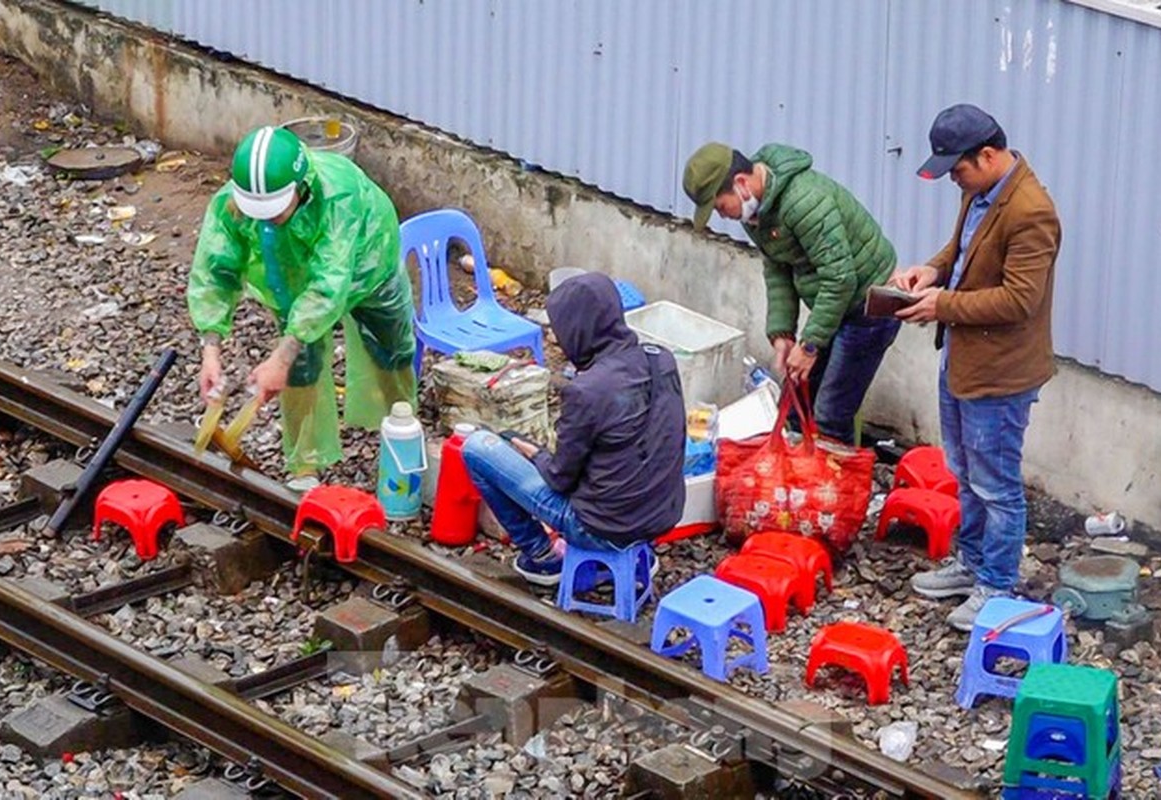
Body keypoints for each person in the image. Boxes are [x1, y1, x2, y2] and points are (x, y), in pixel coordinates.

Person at [892, 104, 1061, 631]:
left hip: (1002, 374)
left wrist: (942, 305)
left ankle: (998, 582)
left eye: (957, 169)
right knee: (964, 472)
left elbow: (1019, 301)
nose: (953, 180)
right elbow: (962, 251)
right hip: (963, 360)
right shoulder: (980, 190)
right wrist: (932, 269)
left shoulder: (1032, 211)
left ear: (987, 155)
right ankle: (971, 564)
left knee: (996, 483)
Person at [188, 125, 416, 491]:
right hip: (291, 282)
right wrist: (210, 349)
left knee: (390, 349)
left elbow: (329, 285)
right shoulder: (231, 202)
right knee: (299, 368)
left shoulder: (338, 196)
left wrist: (277, 359)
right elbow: (215, 273)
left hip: (369, 265)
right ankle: (305, 465)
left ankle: (400, 432)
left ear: (300, 187)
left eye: (274, 212)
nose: (265, 219)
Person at [460, 273, 686, 585]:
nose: (558, 340)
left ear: (579, 329)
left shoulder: (587, 390)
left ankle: (542, 556)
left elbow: (559, 479)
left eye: (561, 330)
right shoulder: (661, 359)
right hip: (662, 516)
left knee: (476, 447)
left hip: (600, 529)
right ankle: (637, 558)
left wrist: (535, 454)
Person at [682, 142, 900, 444]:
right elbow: (777, 268)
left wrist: (810, 346)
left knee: (830, 413)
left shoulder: (805, 202)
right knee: (797, 397)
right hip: (835, 300)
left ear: (741, 184)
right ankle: (797, 475)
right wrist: (782, 333)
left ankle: (835, 484)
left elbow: (840, 279)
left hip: (869, 304)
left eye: (720, 206)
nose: (722, 215)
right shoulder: (755, 211)